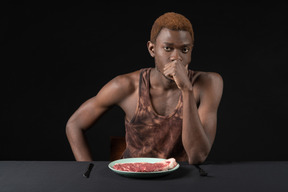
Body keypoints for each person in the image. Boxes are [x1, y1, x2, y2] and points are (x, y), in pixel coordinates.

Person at [66, 12, 223, 164]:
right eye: (168, 48)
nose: (176, 57)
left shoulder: (208, 83)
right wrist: (87, 169)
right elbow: (74, 124)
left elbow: (197, 156)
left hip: (179, 180)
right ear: (152, 49)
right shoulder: (127, 86)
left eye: (185, 49)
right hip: (134, 178)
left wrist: (187, 90)